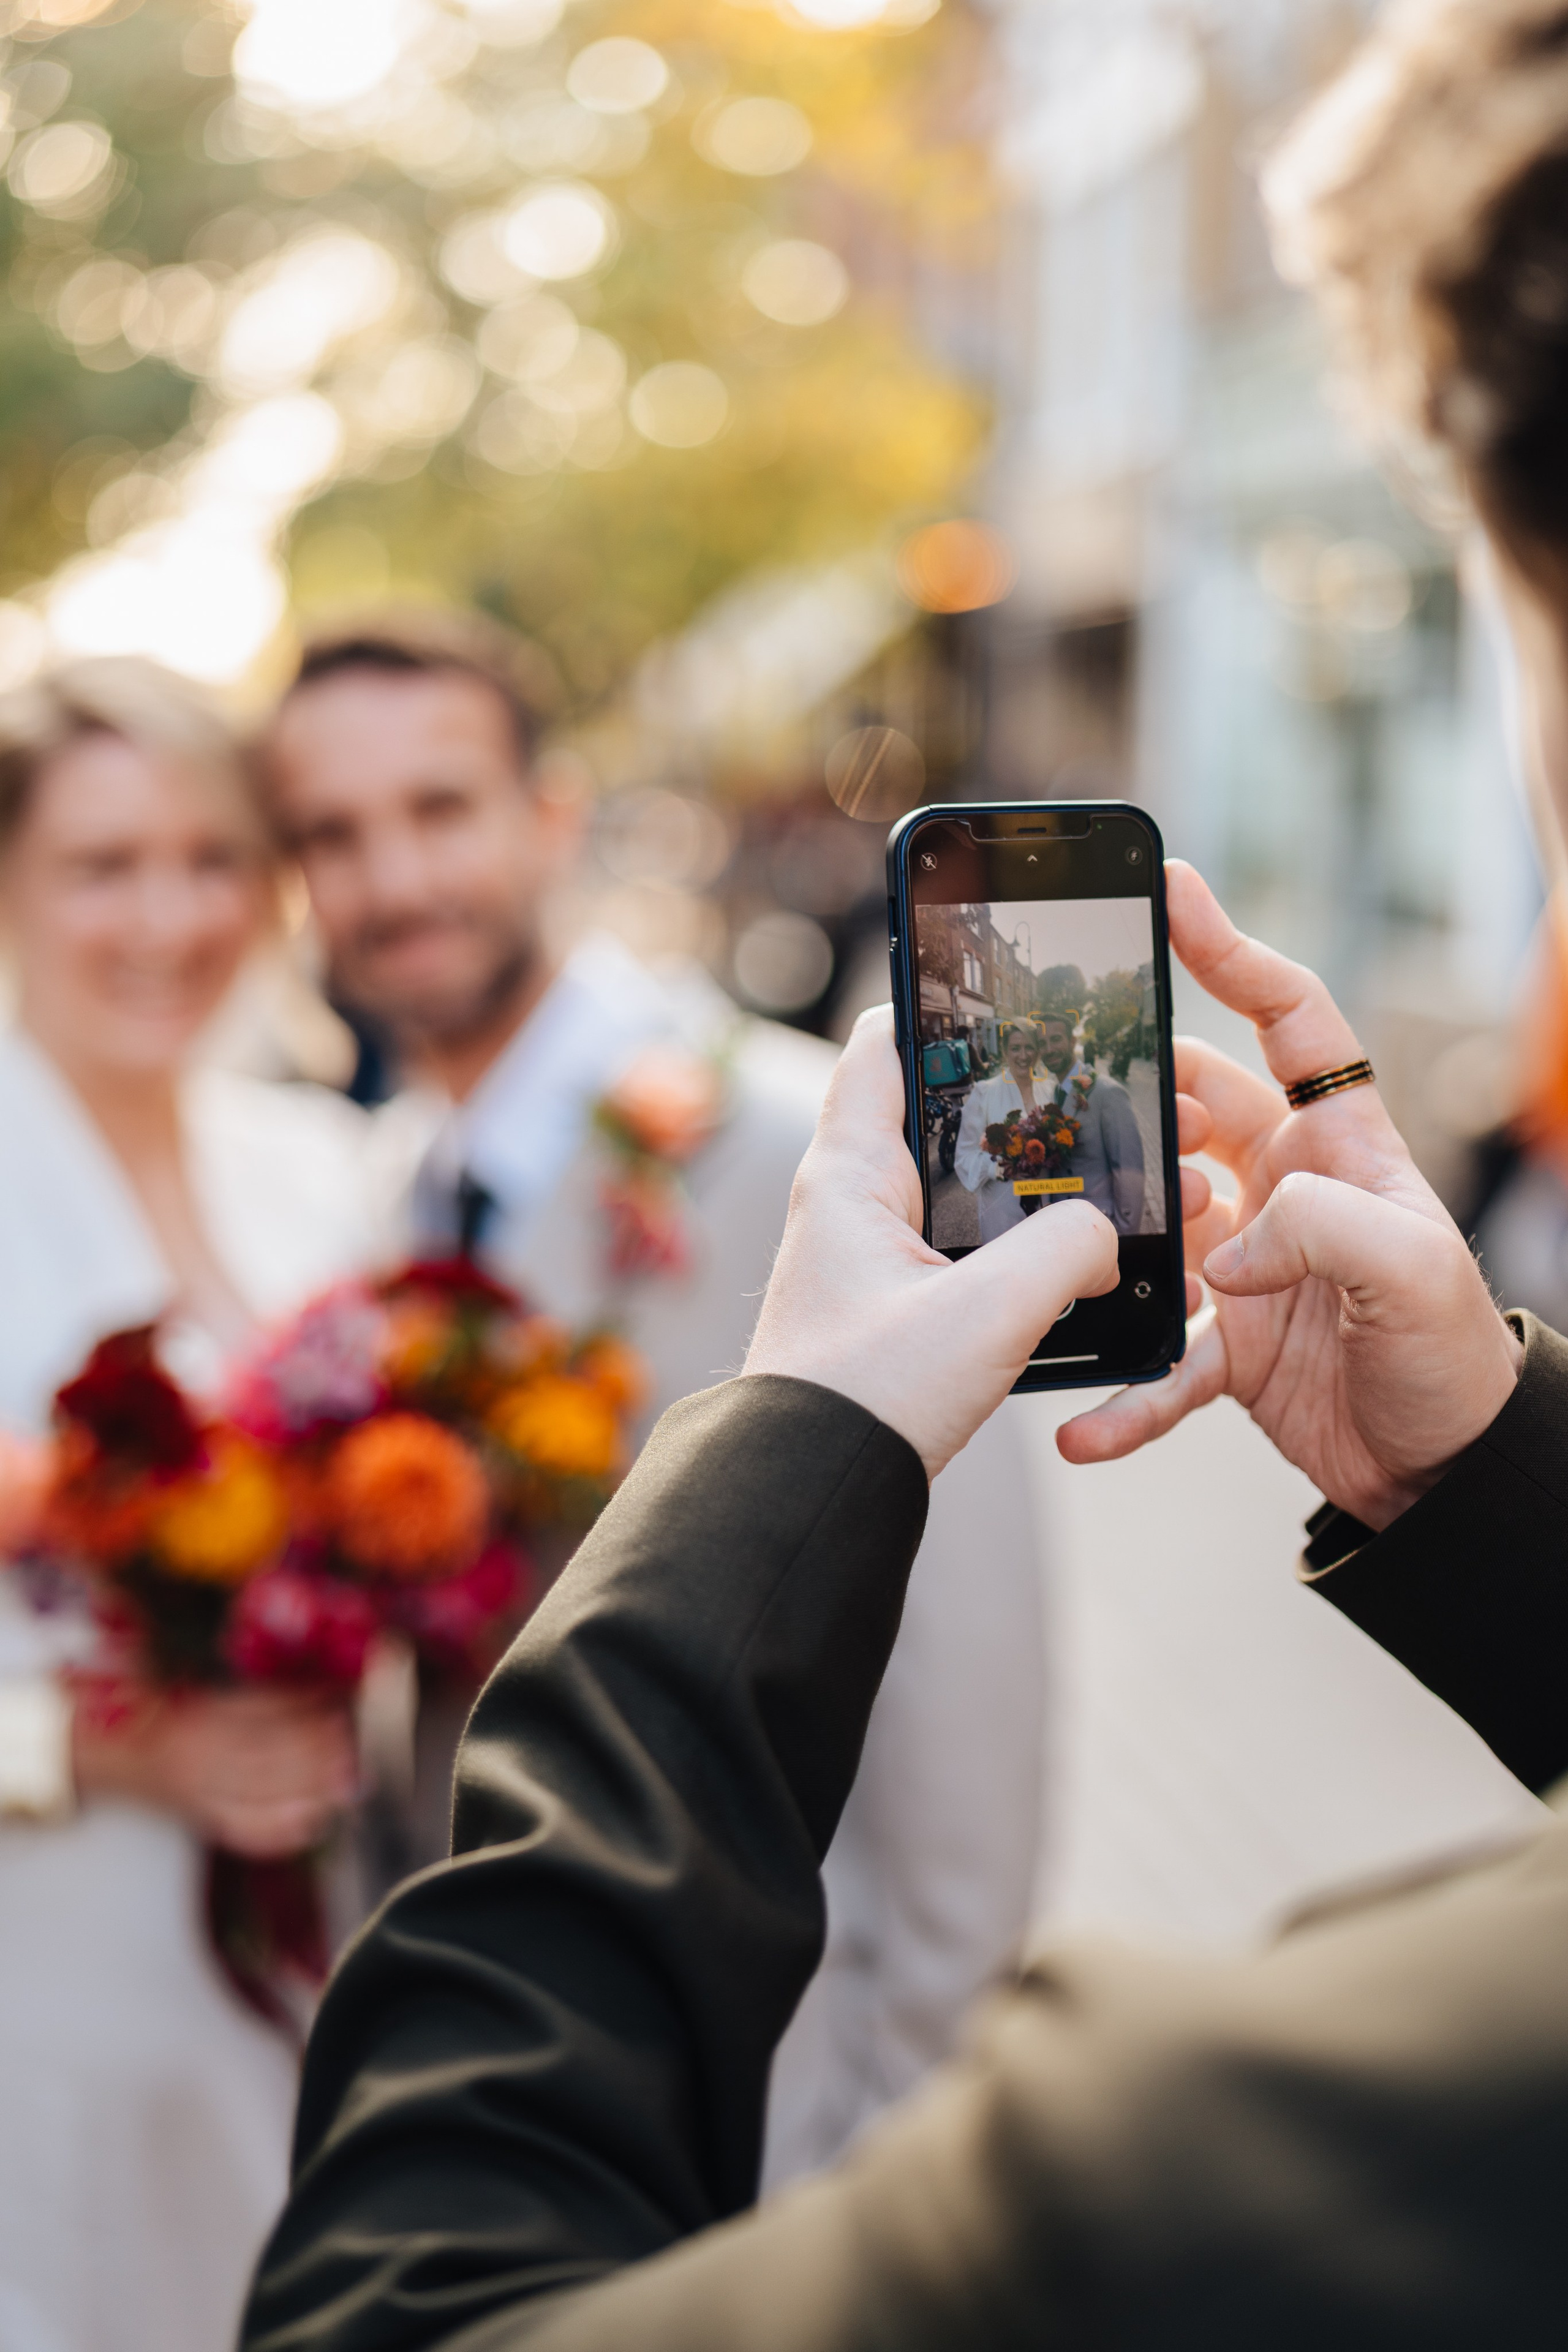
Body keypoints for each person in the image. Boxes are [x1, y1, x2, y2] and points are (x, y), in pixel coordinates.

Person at [236, 6, 1568, 2335]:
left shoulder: (1218, 2158)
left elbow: (402, 2301)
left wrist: (790, 1448)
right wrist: (1504, 1487)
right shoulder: (340, 1198)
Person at [258, 616, 1049, 2184]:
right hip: (497, 2098)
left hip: (774, 2120)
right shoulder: (379, 1193)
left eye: (438, 808)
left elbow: (964, 1716)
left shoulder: (807, 1151)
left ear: (550, 815)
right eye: (333, 835)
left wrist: (888, 2168)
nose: (395, 880)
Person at [0, 662, 364, 2352]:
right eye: (103, 865)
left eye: (214, 856)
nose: (171, 915)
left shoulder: (316, 1170)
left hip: (309, 1958)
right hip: (46, 1973)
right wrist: (102, 1751)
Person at [1038, 1008, 1147, 1234]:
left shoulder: (1107, 1093)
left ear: (1072, 1041)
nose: (1049, 1049)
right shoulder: (1054, 1094)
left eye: (1056, 1039)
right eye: (1042, 1043)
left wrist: (1124, 1234)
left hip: (1099, 1226)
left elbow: (1129, 1169)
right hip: (1063, 1224)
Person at [952, 1018, 1049, 1238]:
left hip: (1047, 1205)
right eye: (1016, 1048)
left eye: (1029, 1048)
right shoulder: (985, 1093)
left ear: (1038, 1052)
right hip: (1002, 1210)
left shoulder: (1049, 1091)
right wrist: (998, 1169)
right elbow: (964, 1156)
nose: (1023, 1056)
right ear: (1005, 1051)